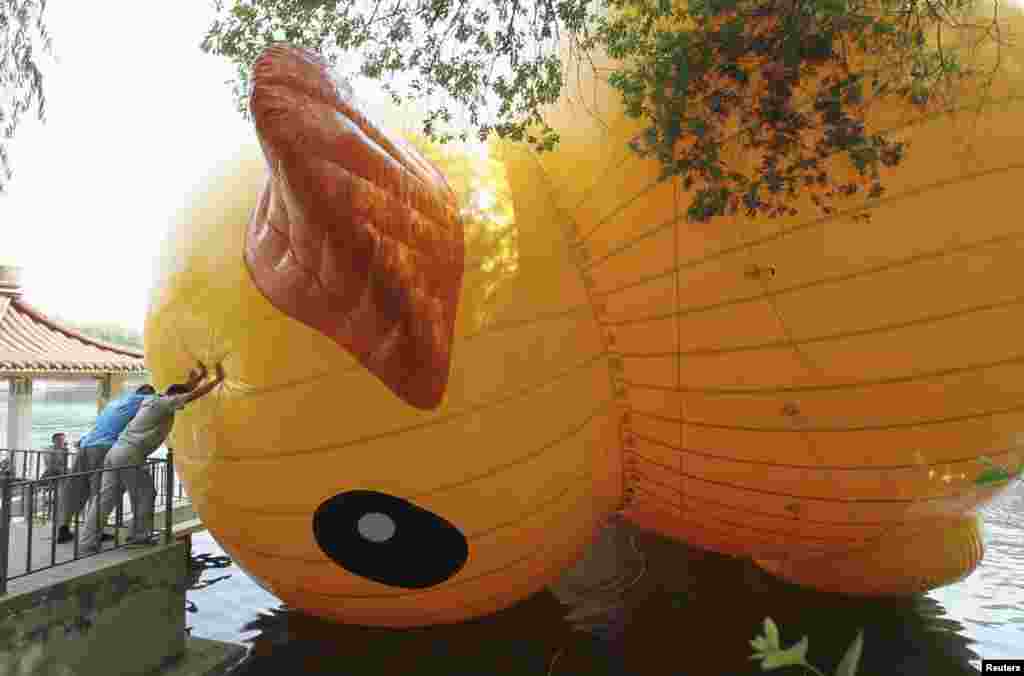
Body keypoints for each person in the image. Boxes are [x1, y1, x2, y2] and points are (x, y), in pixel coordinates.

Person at [77, 362, 225, 553]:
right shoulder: (164, 403)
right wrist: (216, 380)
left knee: (105, 497)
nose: (180, 407)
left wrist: (197, 378)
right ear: (175, 398)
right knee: (145, 494)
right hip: (130, 454)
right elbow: (191, 395)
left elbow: (185, 390)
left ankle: (87, 542)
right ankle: (138, 536)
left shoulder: (154, 400)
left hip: (115, 451)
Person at [56, 384, 157, 543]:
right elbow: (168, 398)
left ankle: (63, 528)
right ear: (148, 394)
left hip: (85, 445)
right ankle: (95, 532)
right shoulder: (145, 399)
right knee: (101, 490)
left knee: (75, 488)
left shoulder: (116, 402)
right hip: (104, 447)